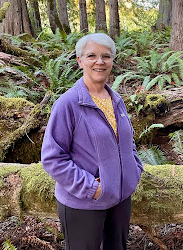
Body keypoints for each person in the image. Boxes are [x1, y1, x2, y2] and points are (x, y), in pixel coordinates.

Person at [41, 33, 143, 250]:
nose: (100, 61)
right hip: (84, 203)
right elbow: (52, 158)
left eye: (106, 56)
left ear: (112, 61)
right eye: (92, 56)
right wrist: (90, 188)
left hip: (120, 199)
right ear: (80, 61)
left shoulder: (116, 100)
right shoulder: (68, 104)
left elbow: (127, 141)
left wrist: (134, 170)